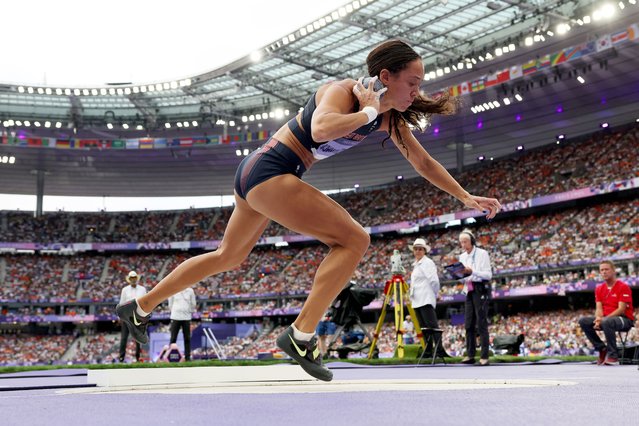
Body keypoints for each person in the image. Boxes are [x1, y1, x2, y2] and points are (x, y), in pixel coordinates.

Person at [117, 39, 501, 382]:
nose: (418, 91)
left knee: (228, 256)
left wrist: (465, 197)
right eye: (413, 82)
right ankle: (301, 335)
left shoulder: (387, 117)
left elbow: (423, 162)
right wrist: (367, 112)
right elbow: (320, 129)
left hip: (259, 174)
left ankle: (140, 306)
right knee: (354, 239)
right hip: (271, 170)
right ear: (385, 76)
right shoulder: (343, 92)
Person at [578, 260, 635, 366]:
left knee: (607, 321)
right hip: (606, 319)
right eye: (602, 270)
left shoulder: (623, 287)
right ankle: (602, 349)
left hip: (624, 319)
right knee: (583, 321)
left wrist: (603, 319)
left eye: (606, 269)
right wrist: (598, 318)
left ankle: (613, 356)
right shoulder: (599, 288)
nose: (604, 272)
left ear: (613, 271)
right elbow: (599, 308)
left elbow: (621, 309)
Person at [458, 229, 492, 366]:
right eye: (461, 242)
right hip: (468, 289)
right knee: (468, 323)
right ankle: (470, 354)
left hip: (480, 287)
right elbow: (462, 278)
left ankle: (484, 356)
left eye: (465, 241)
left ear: (471, 241)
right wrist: (459, 275)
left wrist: (472, 271)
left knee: (481, 322)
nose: (463, 244)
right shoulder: (462, 257)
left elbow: (488, 275)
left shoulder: (482, 253)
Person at [408, 238, 441, 354]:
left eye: (420, 249)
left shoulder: (427, 263)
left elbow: (434, 281)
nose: (417, 251)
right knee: (423, 327)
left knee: (432, 325)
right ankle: (428, 350)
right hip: (417, 299)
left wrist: (435, 293)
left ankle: (439, 349)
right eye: (416, 249)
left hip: (425, 298)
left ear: (424, 251)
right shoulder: (416, 264)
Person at [118, 270, 146, 362]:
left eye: (134, 278)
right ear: (129, 279)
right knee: (124, 337)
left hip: (138, 316)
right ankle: (121, 358)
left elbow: (145, 303)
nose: (133, 280)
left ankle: (138, 357)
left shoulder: (142, 289)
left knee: (138, 338)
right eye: (131, 278)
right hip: (126, 316)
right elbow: (121, 303)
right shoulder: (125, 290)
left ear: (137, 278)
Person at [168, 287, 197, 361]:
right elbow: (170, 303)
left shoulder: (190, 291)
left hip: (186, 317)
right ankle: (170, 356)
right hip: (175, 317)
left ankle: (187, 357)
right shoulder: (173, 289)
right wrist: (175, 311)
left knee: (187, 338)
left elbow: (193, 304)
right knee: (173, 338)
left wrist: (187, 311)